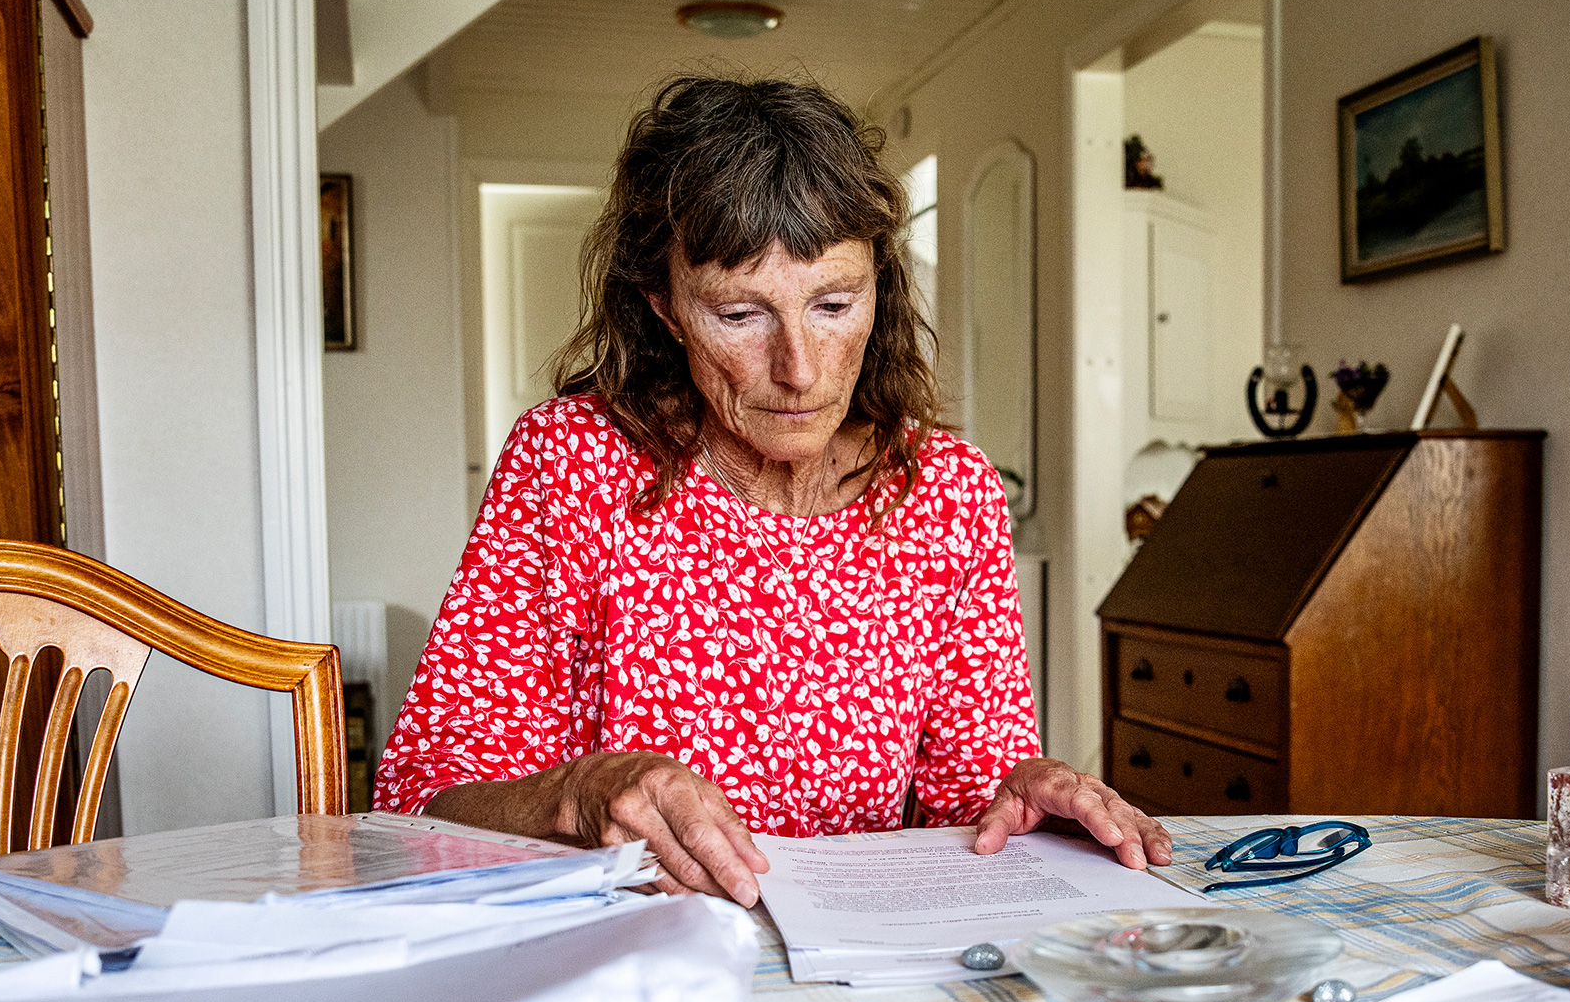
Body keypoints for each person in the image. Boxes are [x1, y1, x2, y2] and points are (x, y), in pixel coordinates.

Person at [376, 75, 1168, 906]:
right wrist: (577, 794)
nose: (798, 370)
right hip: (632, 967)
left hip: (863, 960)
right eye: (740, 316)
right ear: (665, 307)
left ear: (879, 289)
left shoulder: (945, 491)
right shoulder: (570, 466)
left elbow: (972, 798)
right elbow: (418, 806)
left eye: (833, 303)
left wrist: (1026, 794)